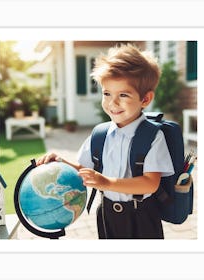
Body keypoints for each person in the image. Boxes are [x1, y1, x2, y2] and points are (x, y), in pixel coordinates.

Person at [36, 43, 174, 239]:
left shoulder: (151, 136)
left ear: (145, 99)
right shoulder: (100, 134)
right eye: (107, 93)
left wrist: (106, 182)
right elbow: (84, 170)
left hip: (142, 216)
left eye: (123, 95)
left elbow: (150, 184)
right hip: (107, 214)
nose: (112, 103)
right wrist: (61, 162)